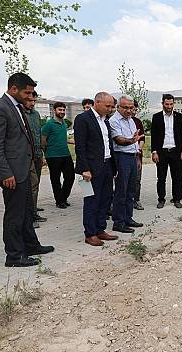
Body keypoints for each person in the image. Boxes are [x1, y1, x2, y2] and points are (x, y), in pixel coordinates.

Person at [0, 72, 54, 267]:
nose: (31, 97)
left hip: (22, 168)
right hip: (11, 172)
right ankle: (14, 256)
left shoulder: (16, 107)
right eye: (27, 93)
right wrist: (5, 173)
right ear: (13, 89)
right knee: (15, 213)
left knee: (27, 210)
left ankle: (31, 245)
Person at [74, 92, 119, 246]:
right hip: (90, 169)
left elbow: (108, 145)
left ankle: (100, 229)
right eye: (108, 106)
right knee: (91, 200)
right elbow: (80, 147)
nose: (110, 109)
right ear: (97, 102)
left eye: (112, 106)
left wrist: (114, 167)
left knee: (105, 199)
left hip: (106, 165)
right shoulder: (83, 119)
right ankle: (90, 233)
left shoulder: (105, 121)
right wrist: (85, 169)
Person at [109, 95, 145, 234]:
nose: (129, 110)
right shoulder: (114, 121)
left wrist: (137, 157)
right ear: (118, 107)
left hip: (132, 157)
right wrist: (132, 140)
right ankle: (118, 222)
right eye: (125, 107)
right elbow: (119, 140)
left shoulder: (131, 121)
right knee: (121, 191)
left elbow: (134, 143)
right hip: (121, 157)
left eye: (131, 108)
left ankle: (128, 218)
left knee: (131, 190)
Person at [151, 94, 182, 209]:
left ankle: (176, 199)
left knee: (177, 177)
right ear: (162, 103)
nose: (169, 106)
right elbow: (154, 136)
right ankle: (161, 199)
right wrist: (154, 151)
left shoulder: (179, 117)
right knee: (161, 178)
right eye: (167, 104)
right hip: (162, 152)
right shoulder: (156, 117)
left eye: (171, 104)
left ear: (173, 104)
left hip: (176, 151)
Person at [41, 102, 75, 209]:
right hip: (52, 156)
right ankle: (59, 201)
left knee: (70, 177)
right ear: (54, 111)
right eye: (60, 110)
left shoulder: (64, 123)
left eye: (63, 110)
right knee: (55, 179)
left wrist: (71, 142)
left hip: (65, 154)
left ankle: (63, 198)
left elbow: (61, 139)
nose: (62, 112)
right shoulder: (49, 124)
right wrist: (45, 154)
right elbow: (43, 140)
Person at [23, 91, 47, 228]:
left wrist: (41, 155)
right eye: (30, 100)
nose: (32, 103)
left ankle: (33, 211)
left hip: (37, 155)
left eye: (34, 101)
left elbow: (38, 134)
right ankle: (29, 217)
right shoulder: (20, 114)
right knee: (31, 185)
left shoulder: (36, 114)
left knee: (35, 185)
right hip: (26, 157)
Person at [131, 99, 146, 210]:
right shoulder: (118, 121)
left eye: (135, 109)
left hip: (137, 155)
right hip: (124, 155)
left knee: (137, 179)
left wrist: (138, 150)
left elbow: (142, 139)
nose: (133, 111)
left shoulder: (137, 121)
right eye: (132, 108)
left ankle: (136, 200)